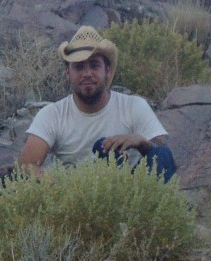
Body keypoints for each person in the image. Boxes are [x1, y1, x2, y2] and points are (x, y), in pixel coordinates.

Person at [17, 26, 176, 180]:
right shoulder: (53, 114)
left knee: (161, 154)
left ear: (107, 71)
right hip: (74, 192)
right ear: (68, 73)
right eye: (79, 67)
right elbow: (26, 165)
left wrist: (140, 142)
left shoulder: (134, 106)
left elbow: (163, 151)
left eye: (94, 66)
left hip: (133, 190)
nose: (87, 74)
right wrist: (56, 185)